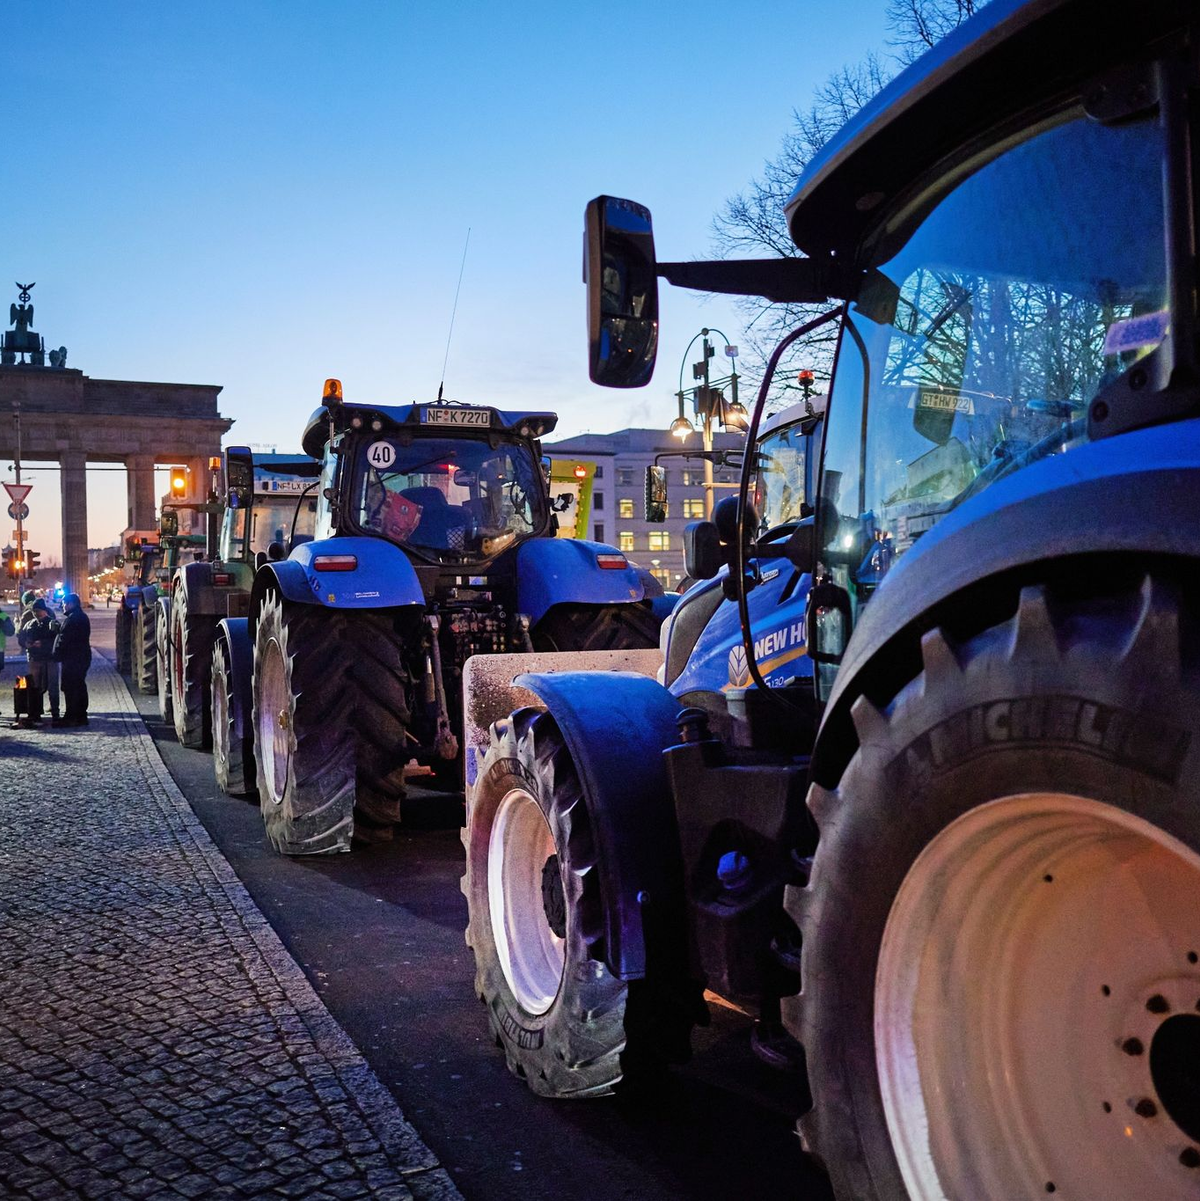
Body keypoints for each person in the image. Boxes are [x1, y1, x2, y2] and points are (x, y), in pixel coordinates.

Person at [17, 598, 59, 725]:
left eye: (38, 611)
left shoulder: (52, 623)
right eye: (34, 611)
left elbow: (57, 640)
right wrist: (26, 644)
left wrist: (43, 644)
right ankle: (36, 713)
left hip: (49, 659)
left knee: (52, 686)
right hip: (35, 659)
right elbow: (21, 638)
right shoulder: (30, 624)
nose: (36, 613)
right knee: (36, 688)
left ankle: (55, 713)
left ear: (44, 611)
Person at [54, 593, 91, 726]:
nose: (62, 606)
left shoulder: (72, 619)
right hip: (81, 657)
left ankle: (71, 716)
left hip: (73, 658)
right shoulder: (81, 617)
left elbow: (65, 639)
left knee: (70, 687)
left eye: (64, 603)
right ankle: (81, 716)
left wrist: (56, 654)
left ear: (71, 604)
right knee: (79, 685)